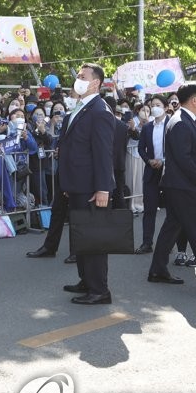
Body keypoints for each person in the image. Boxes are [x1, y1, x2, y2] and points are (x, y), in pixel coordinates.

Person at [146, 84, 196, 289]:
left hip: (180, 184)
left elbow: (191, 155)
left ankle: (157, 269)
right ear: (194, 100)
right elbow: (182, 157)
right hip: (181, 186)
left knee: (172, 227)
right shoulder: (181, 122)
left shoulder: (188, 120)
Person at [58, 64, 116, 305]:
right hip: (77, 184)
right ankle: (86, 280)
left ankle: (99, 289)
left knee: (93, 238)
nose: (78, 79)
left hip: (91, 187)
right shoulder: (80, 107)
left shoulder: (100, 110)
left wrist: (103, 188)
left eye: (83, 77)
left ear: (96, 83)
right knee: (81, 235)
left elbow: (103, 153)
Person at [135, 96, 168, 254]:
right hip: (151, 171)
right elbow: (141, 148)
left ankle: (168, 244)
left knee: (172, 210)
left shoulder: (172, 124)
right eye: (152, 105)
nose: (154, 107)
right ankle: (146, 242)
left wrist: (163, 161)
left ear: (165, 107)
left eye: (158, 105)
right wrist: (149, 161)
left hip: (169, 172)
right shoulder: (147, 127)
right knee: (149, 209)